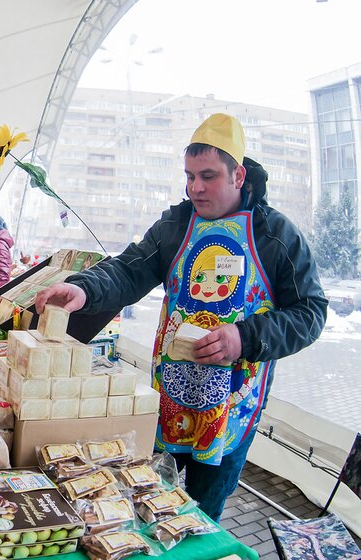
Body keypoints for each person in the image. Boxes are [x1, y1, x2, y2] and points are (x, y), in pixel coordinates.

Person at [35, 113, 327, 522]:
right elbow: (129, 270)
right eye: (189, 176)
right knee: (146, 503)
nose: (195, 187)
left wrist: (244, 337)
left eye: (208, 176)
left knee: (199, 518)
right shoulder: (175, 225)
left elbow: (310, 313)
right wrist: (83, 289)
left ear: (238, 175)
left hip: (231, 408)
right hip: (169, 399)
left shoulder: (276, 236)